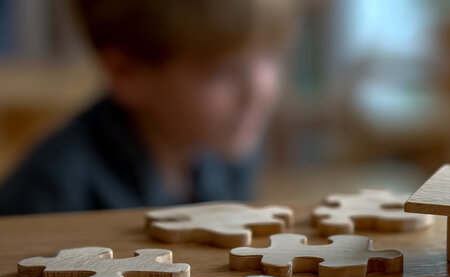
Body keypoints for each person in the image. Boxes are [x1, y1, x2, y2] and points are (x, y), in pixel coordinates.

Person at [0, 0, 294, 215]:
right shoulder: (48, 194)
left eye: (269, 56)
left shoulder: (230, 147)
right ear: (125, 72)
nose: (260, 90)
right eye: (223, 72)